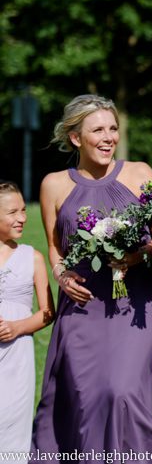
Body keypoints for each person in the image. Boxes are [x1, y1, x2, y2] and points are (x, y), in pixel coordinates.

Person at [32, 95, 152, 457]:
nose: (108, 137)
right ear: (77, 137)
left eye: (112, 128)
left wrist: (136, 255)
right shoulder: (53, 184)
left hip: (135, 305)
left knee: (123, 391)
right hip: (82, 307)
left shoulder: (141, 173)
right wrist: (61, 277)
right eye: (98, 130)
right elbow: (55, 250)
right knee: (85, 396)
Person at [0, 180, 54, 452]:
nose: (22, 217)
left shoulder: (31, 258)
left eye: (23, 210)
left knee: (12, 421)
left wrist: (17, 327)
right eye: (13, 212)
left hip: (17, 356)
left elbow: (47, 312)